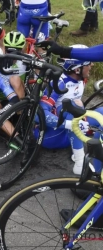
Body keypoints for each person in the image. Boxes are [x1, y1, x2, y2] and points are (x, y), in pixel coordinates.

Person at [37, 44, 103, 175]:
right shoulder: (59, 83)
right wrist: (70, 125)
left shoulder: (80, 80)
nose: (92, 66)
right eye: (88, 63)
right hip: (50, 136)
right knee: (71, 109)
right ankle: (80, 162)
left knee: (101, 112)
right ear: (77, 69)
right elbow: (38, 114)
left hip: (68, 130)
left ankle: (97, 162)